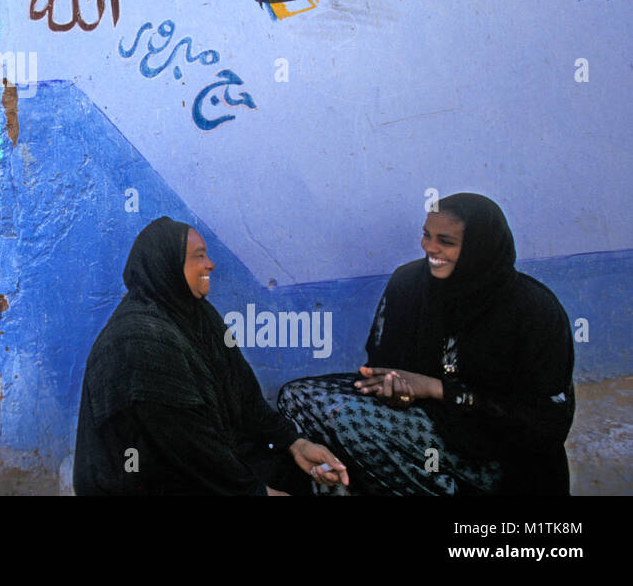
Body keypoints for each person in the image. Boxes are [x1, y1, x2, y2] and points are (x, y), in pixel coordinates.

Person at [277, 193, 575, 495]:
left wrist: (436, 389)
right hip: (418, 418)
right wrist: (395, 392)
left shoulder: (533, 311)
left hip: (492, 453)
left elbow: (545, 424)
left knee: (347, 419)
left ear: (479, 247)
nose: (430, 248)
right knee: (296, 397)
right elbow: (383, 364)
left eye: (445, 241)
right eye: (426, 235)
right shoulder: (409, 283)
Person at [74, 216, 348, 495]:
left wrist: (296, 444)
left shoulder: (198, 315)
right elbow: (187, 445)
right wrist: (259, 493)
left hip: (200, 463)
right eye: (198, 257)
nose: (210, 265)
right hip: (144, 480)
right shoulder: (139, 339)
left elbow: (246, 397)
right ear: (165, 265)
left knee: (304, 476)